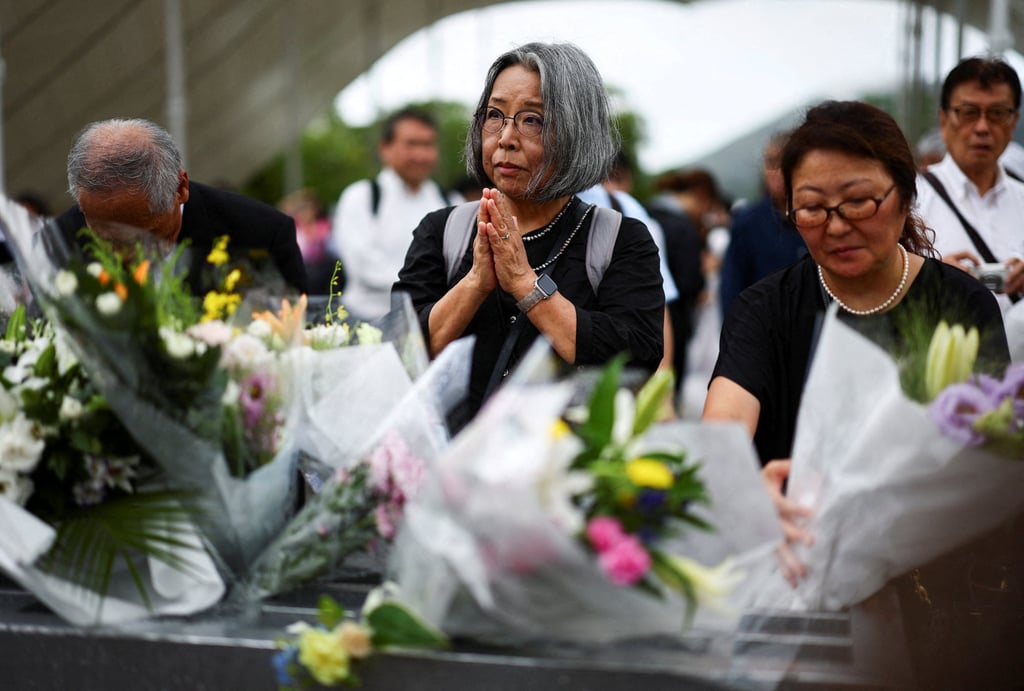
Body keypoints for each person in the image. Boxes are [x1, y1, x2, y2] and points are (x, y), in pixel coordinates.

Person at [703, 100, 1012, 686]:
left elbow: (988, 447)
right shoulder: (767, 307)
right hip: (800, 585)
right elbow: (726, 417)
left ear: (905, 193)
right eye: (813, 209)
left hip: (942, 593)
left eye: (859, 202)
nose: (837, 225)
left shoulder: (960, 304)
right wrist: (741, 481)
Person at [393, 42, 663, 427]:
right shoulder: (442, 231)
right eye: (495, 115)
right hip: (448, 471)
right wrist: (474, 284)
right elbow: (402, 354)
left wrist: (524, 283)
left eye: (531, 119)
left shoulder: (621, 239)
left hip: (560, 472)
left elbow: (634, 359)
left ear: (576, 132)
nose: (505, 138)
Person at [54, 118, 308, 295]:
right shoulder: (56, 244)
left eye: (143, 237)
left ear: (180, 188)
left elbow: (293, 341)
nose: (125, 256)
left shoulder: (261, 235)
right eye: (106, 238)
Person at [916, 56, 1024, 313]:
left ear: (1014, 122)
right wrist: (929, 277)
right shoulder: (908, 200)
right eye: (968, 113)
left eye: (997, 113)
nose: (982, 127)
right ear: (944, 120)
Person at [332, 107, 450, 320]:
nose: (421, 154)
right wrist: (429, 287)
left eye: (428, 144)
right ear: (385, 149)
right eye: (412, 144)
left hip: (430, 322)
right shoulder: (362, 197)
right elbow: (362, 265)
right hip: (367, 321)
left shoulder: (448, 200)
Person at [718, 130, 807, 318]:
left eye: (784, 162)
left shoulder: (824, 216)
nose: (775, 171)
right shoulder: (747, 222)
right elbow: (732, 289)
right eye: (770, 162)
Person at [279, 188, 336, 295]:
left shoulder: (325, 227)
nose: (304, 213)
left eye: (306, 208)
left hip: (324, 278)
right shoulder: (294, 230)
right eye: (300, 210)